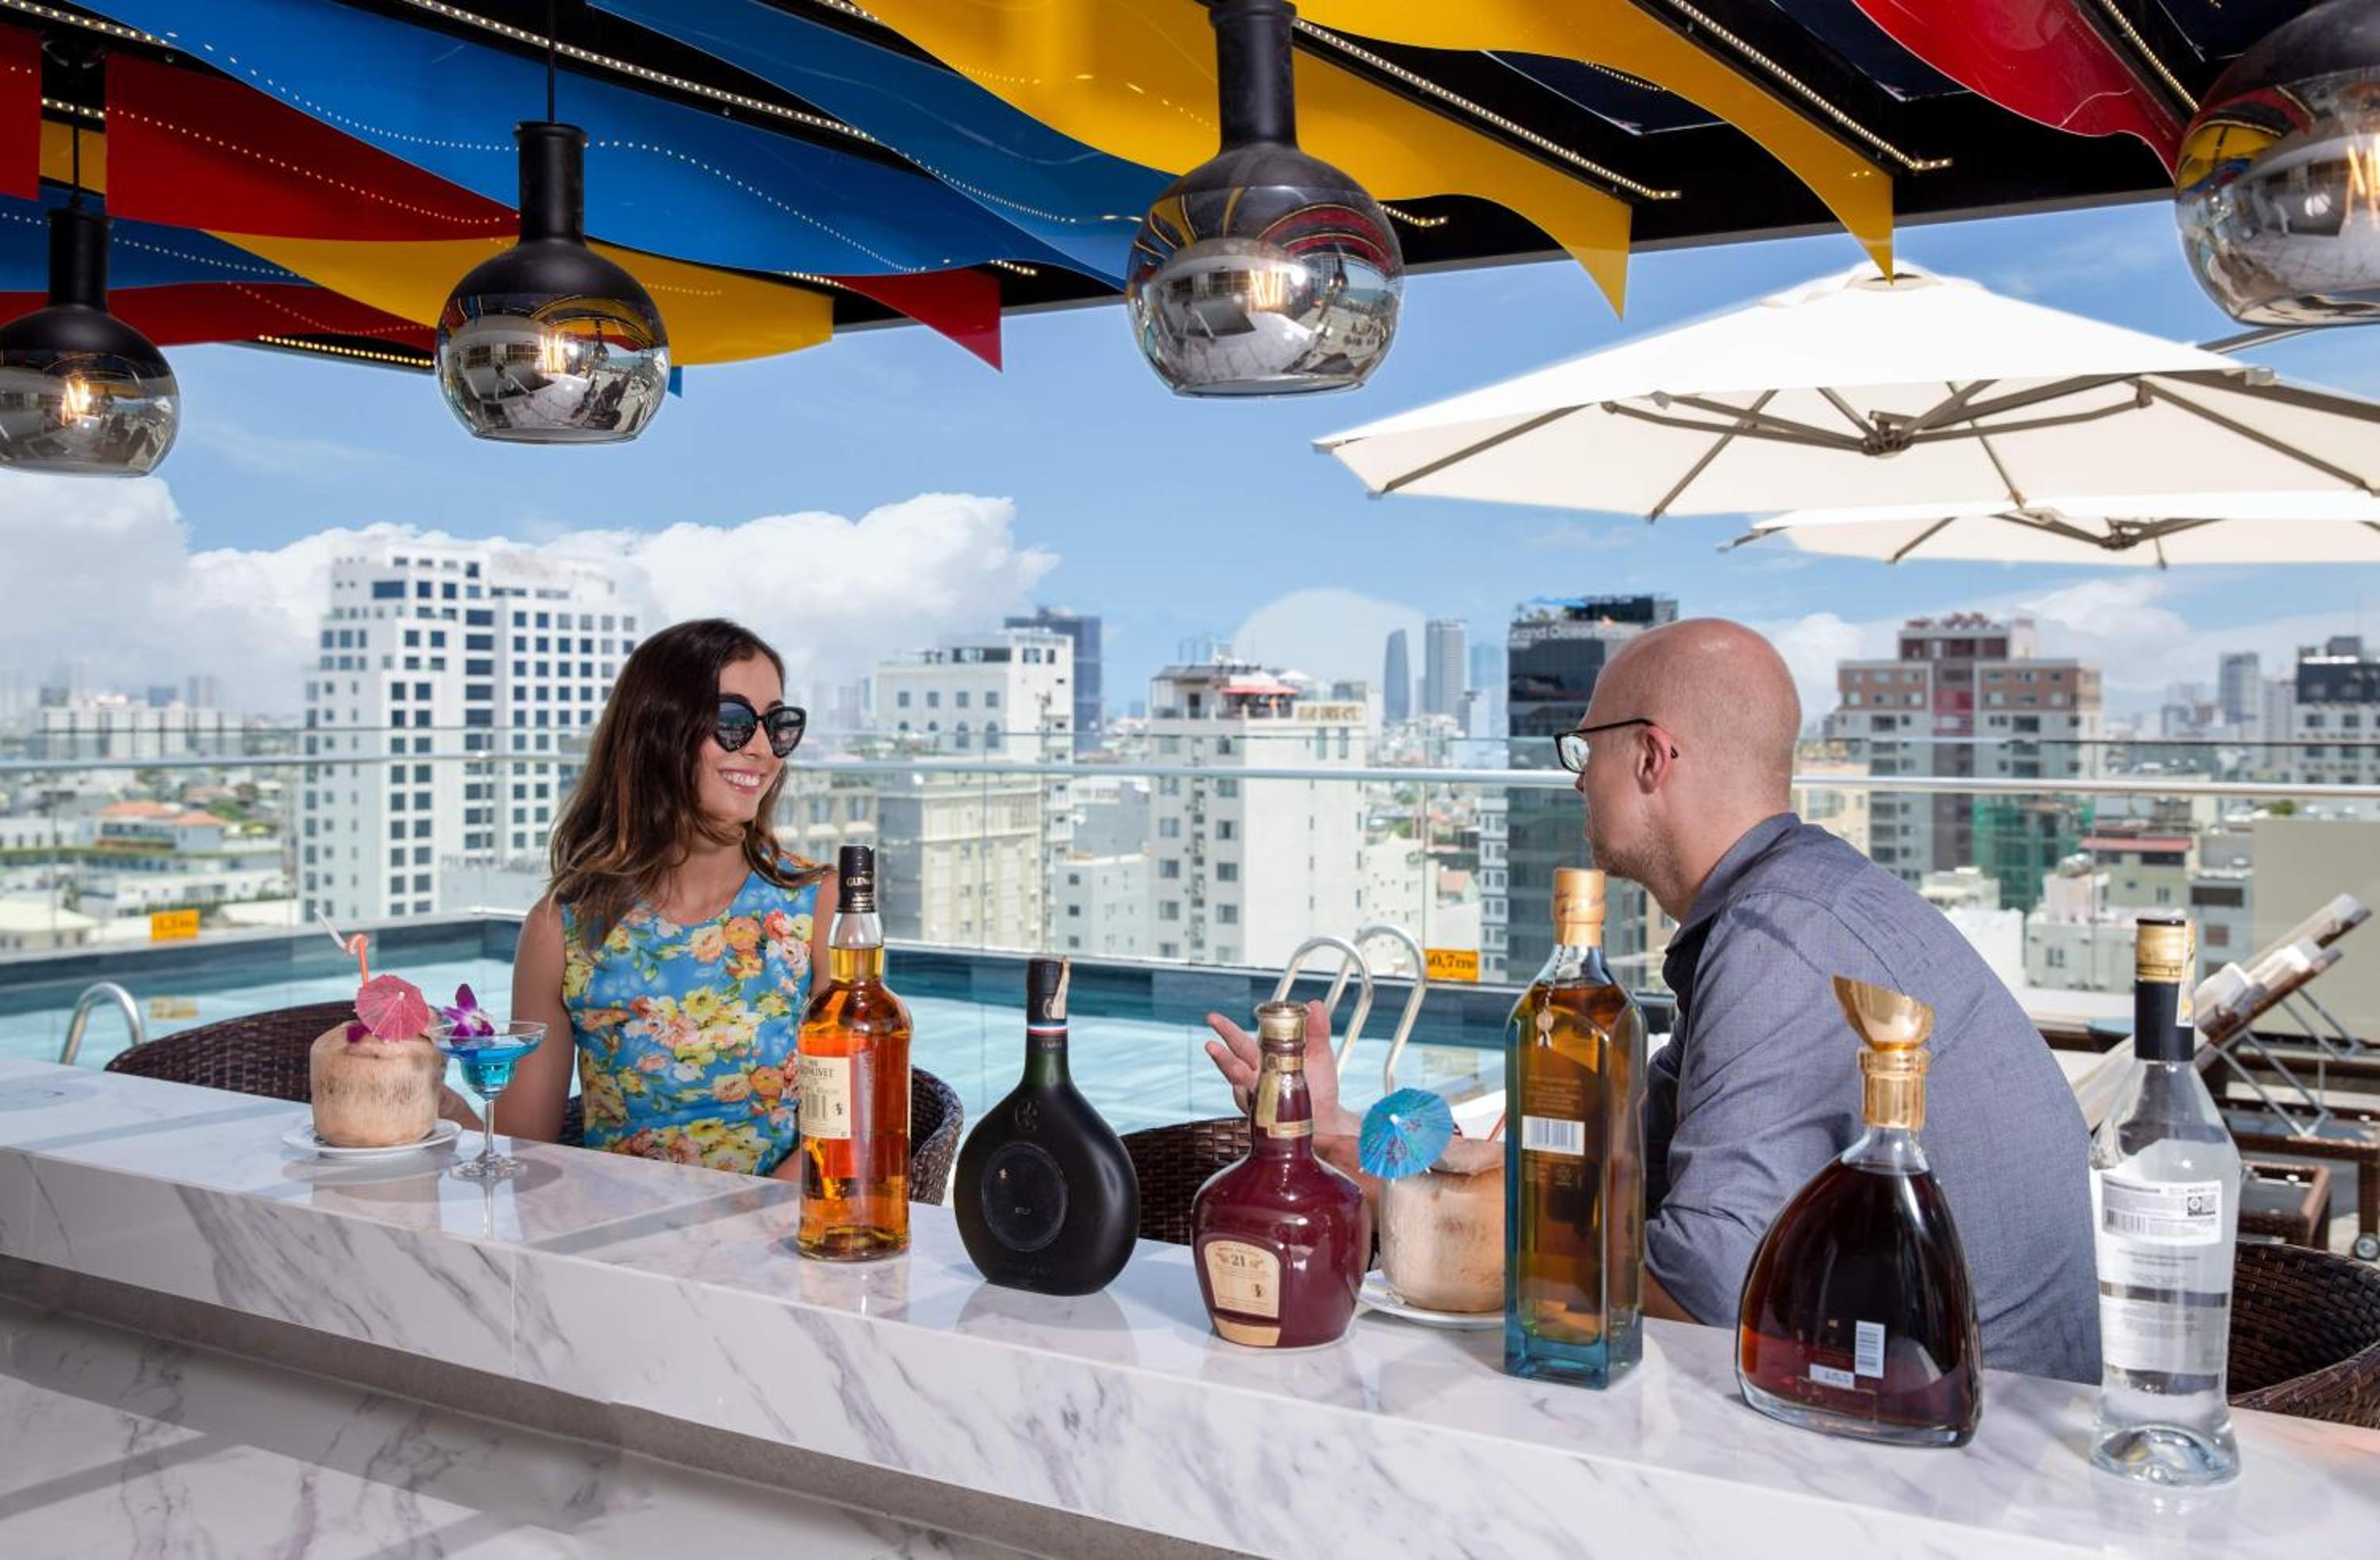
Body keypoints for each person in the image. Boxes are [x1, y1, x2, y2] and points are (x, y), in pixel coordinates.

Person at [1208, 619, 2101, 1383]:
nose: (1577, 780)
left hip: (1957, 1443)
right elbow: (1588, 1165)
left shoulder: (1779, 942)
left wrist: (1441, 1240)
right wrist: (1336, 1137)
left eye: (1584, 750)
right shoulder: (1788, 904)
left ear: (1649, 756)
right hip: (1921, 1391)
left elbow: (1695, 1291)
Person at [504, 618, 832, 1178]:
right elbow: (521, 1150)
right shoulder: (561, 929)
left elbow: (852, 1126)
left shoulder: (819, 908)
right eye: (733, 722)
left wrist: (751, 1220)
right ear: (658, 731)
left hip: (777, 1226)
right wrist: (435, 1101)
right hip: (614, 1226)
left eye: (778, 725)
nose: (762, 749)